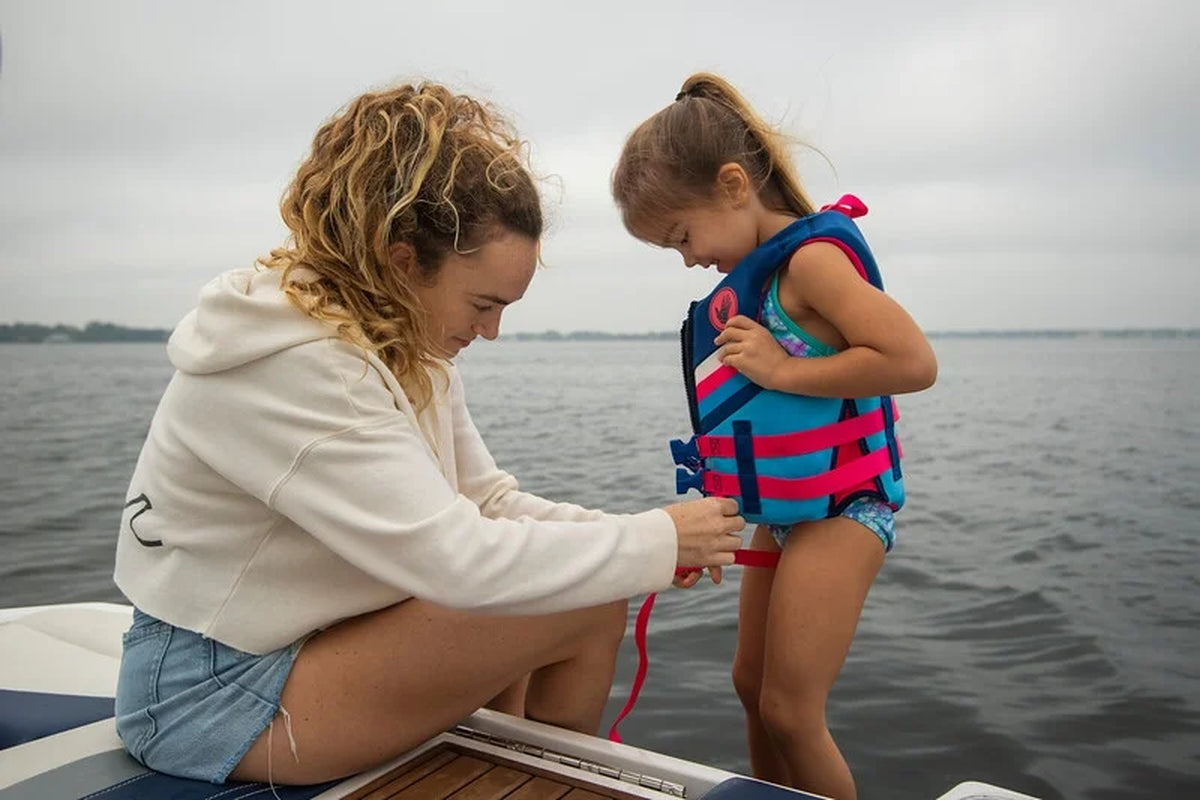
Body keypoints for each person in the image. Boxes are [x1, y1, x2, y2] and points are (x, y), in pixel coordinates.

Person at [111, 80, 747, 787]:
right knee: (581, 594)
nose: (492, 331)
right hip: (207, 695)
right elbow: (454, 559)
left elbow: (487, 503)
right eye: (483, 303)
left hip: (302, 647)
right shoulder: (301, 366)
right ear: (403, 260)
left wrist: (647, 534)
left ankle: (511, 772)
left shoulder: (400, 341)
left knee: (582, 583)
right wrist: (655, 542)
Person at [611, 73, 938, 800]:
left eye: (682, 236)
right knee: (750, 684)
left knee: (793, 710)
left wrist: (784, 372)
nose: (688, 259)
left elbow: (914, 362)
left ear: (734, 186)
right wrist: (719, 523)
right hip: (786, 513)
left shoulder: (812, 261)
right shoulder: (758, 280)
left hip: (847, 506)